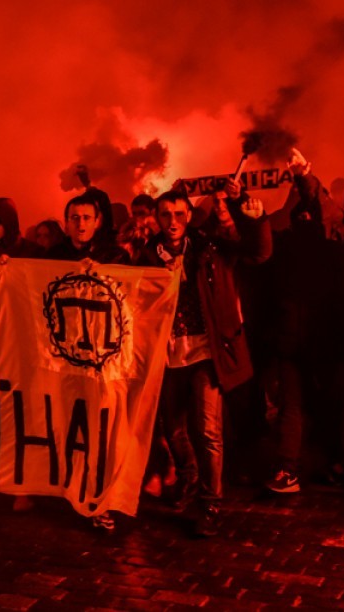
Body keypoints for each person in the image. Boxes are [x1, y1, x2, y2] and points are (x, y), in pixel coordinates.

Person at [138, 179, 271, 536]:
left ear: (189, 215)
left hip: (204, 352)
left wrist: (255, 220)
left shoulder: (209, 248)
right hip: (167, 355)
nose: (172, 220)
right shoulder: (147, 255)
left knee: (208, 430)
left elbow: (257, 252)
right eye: (165, 214)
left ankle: (210, 503)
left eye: (179, 213)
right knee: (174, 428)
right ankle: (189, 477)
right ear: (157, 218)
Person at [261, 148, 344, 494]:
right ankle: (288, 468)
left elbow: (327, 214)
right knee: (292, 406)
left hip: (324, 332)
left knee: (328, 401)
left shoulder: (333, 235)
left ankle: (330, 461)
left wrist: (303, 177)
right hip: (291, 334)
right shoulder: (282, 237)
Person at [45, 194, 130, 265]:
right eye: (75, 217)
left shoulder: (116, 256)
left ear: (96, 222)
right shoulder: (53, 255)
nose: (80, 224)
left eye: (86, 218)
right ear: (67, 222)